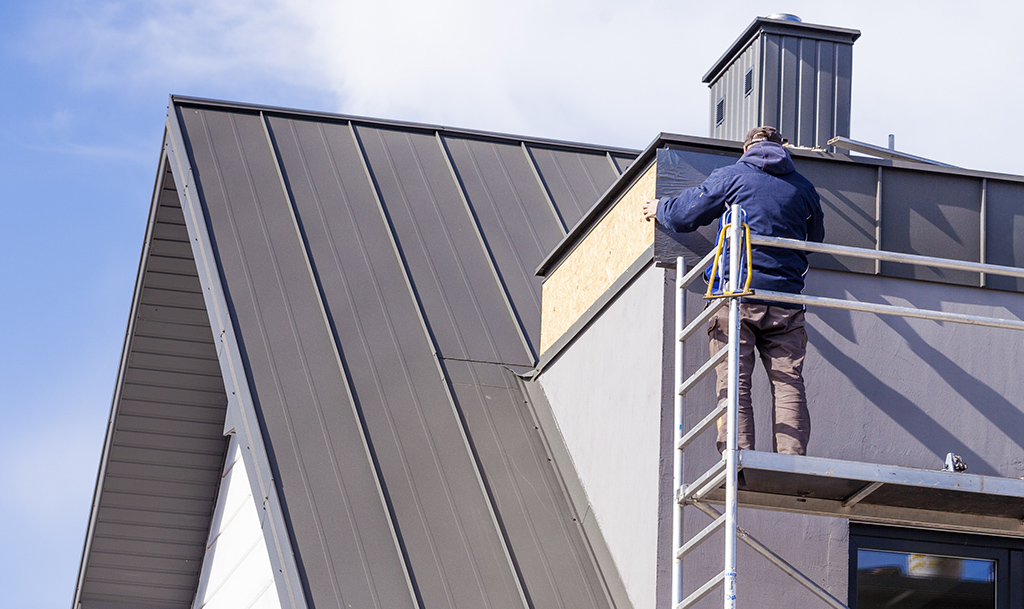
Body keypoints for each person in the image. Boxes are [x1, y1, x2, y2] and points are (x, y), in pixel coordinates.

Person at [642, 126, 824, 455]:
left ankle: (736, 457)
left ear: (746, 149)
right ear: (782, 148)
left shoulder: (733, 176)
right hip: (787, 300)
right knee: (788, 382)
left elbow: (686, 213)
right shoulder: (805, 188)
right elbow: (814, 240)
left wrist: (660, 208)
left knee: (735, 381)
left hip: (737, 294)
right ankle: (792, 461)